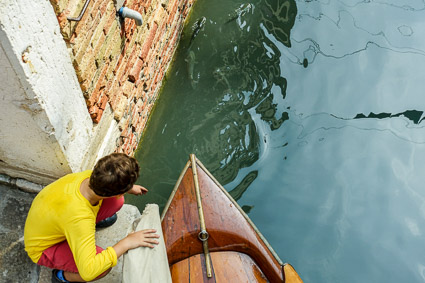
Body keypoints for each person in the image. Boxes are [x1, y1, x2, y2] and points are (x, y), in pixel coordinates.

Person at [24, 153, 160, 282]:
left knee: (117, 201)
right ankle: (62, 277)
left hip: (54, 218)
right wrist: (127, 242)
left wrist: (128, 188)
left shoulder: (89, 176)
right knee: (102, 269)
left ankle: (81, 230)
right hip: (43, 249)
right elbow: (89, 271)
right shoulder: (80, 218)